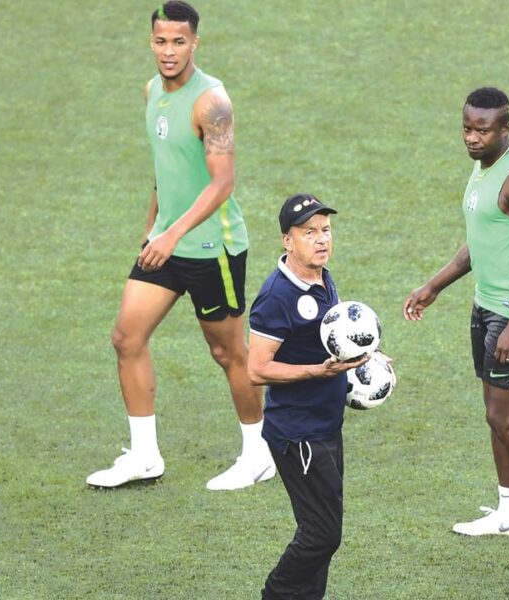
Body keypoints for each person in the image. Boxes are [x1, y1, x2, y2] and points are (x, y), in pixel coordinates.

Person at [87, 1, 274, 491]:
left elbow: (222, 183)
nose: (168, 51)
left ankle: (258, 454)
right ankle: (145, 456)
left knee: (228, 352)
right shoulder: (152, 91)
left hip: (214, 247)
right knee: (127, 338)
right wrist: (154, 227)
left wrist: (173, 234)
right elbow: (163, 168)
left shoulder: (212, 103)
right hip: (166, 245)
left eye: (178, 42)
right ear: (151, 41)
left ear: (195, 43)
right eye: (160, 41)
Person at [403, 87, 509, 559]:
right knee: (495, 414)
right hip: (486, 305)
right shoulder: (481, 171)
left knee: (505, 417)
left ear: (505, 129)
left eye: (482, 130)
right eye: (466, 128)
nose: (472, 139)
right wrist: (434, 285)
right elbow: (478, 242)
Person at [248, 194, 369, 600]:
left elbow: (331, 336)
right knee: (321, 535)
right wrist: (317, 371)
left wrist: (366, 355)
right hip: (298, 434)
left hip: (326, 425)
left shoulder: (321, 276)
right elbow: (257, 369)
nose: (321, 240)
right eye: (309, 232)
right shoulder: (276, 297)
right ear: (287, 241)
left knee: (322, 532)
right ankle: (275, 593)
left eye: (325, 230)